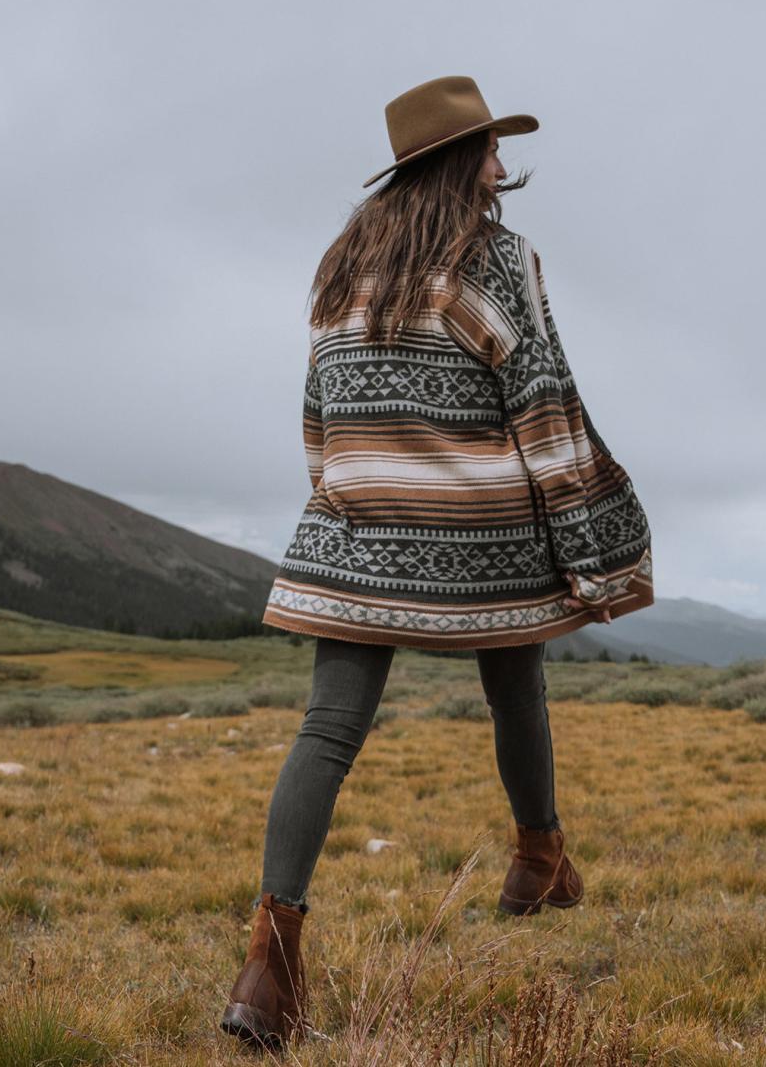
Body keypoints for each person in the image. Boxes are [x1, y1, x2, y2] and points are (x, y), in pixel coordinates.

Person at [221, 75, 654, 1049]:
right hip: (479, 527)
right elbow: (541, 399)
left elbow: (317, 412)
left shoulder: (344, 258)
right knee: (515, 681)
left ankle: (268, 964)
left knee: (326, 730)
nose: (504, 165)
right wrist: (587, 540)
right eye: (490, 148)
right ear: (462, 161)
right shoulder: (495, 257)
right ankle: (534, 854)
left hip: (355, 522)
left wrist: (346, 501)